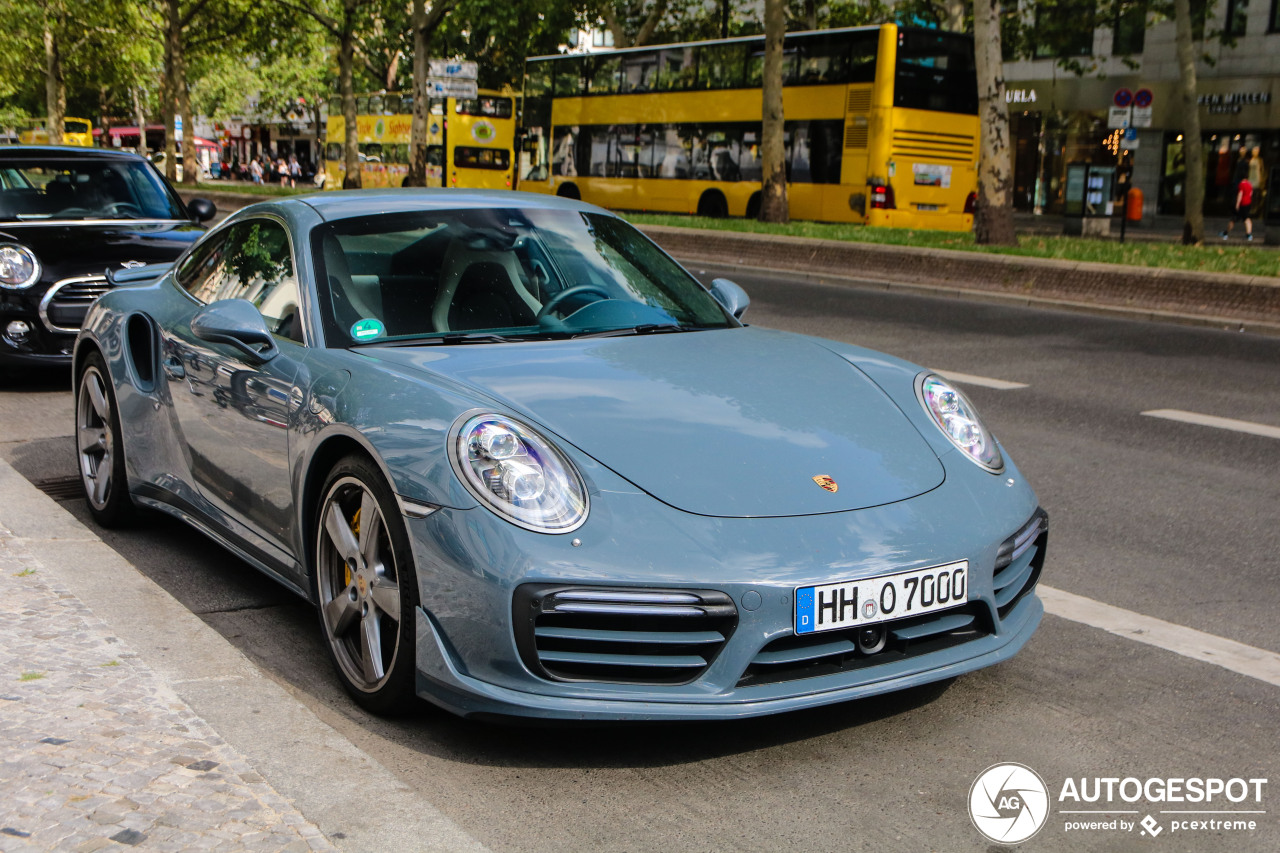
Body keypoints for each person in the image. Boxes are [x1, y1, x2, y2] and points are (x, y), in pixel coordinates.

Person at [1221, 167, 1254, 241]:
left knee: (1234, 219)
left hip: (1242, 203)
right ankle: (1249, 234)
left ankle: (1226, 233)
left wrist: (1237, 204)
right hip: (1248, 203)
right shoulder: (1250, 184)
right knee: (1247, 219)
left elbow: (1240, 194)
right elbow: (1251, 194)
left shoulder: (1241, 184)